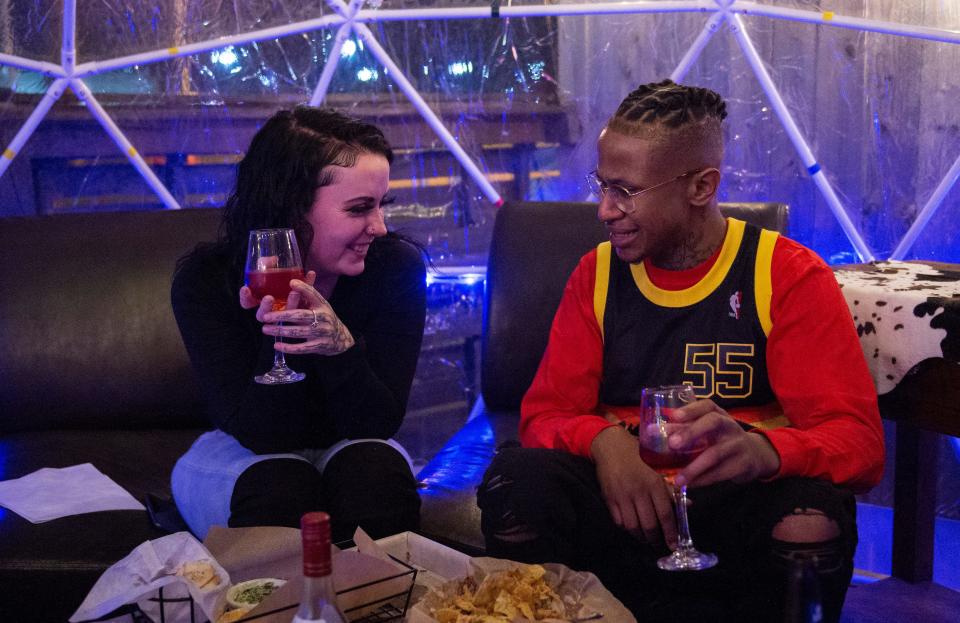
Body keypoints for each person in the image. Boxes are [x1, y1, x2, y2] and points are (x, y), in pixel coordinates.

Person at [477, 80, 883, 622]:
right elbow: (543, 417)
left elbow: (858, 443)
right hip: (622, 505)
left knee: (810, 518)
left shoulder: (785, 275)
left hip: (735, 507)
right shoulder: (596, 274)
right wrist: (605, 445)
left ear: (701, 186)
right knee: (517, 484)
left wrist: (765, 451)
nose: (604, 210)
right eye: (602, 185)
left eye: (626, 191)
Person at [170, 106, 426, 543]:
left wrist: (339, 348)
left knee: (375, 480)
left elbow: (379, 422)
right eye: (360, 208)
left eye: (382, 205)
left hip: (350, 439)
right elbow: (261, 435)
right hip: (244, 448)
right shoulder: (207, 280)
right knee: (281, 490)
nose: (379, 227)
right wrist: (284, 335)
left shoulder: (394, 268)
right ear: (291, 209)